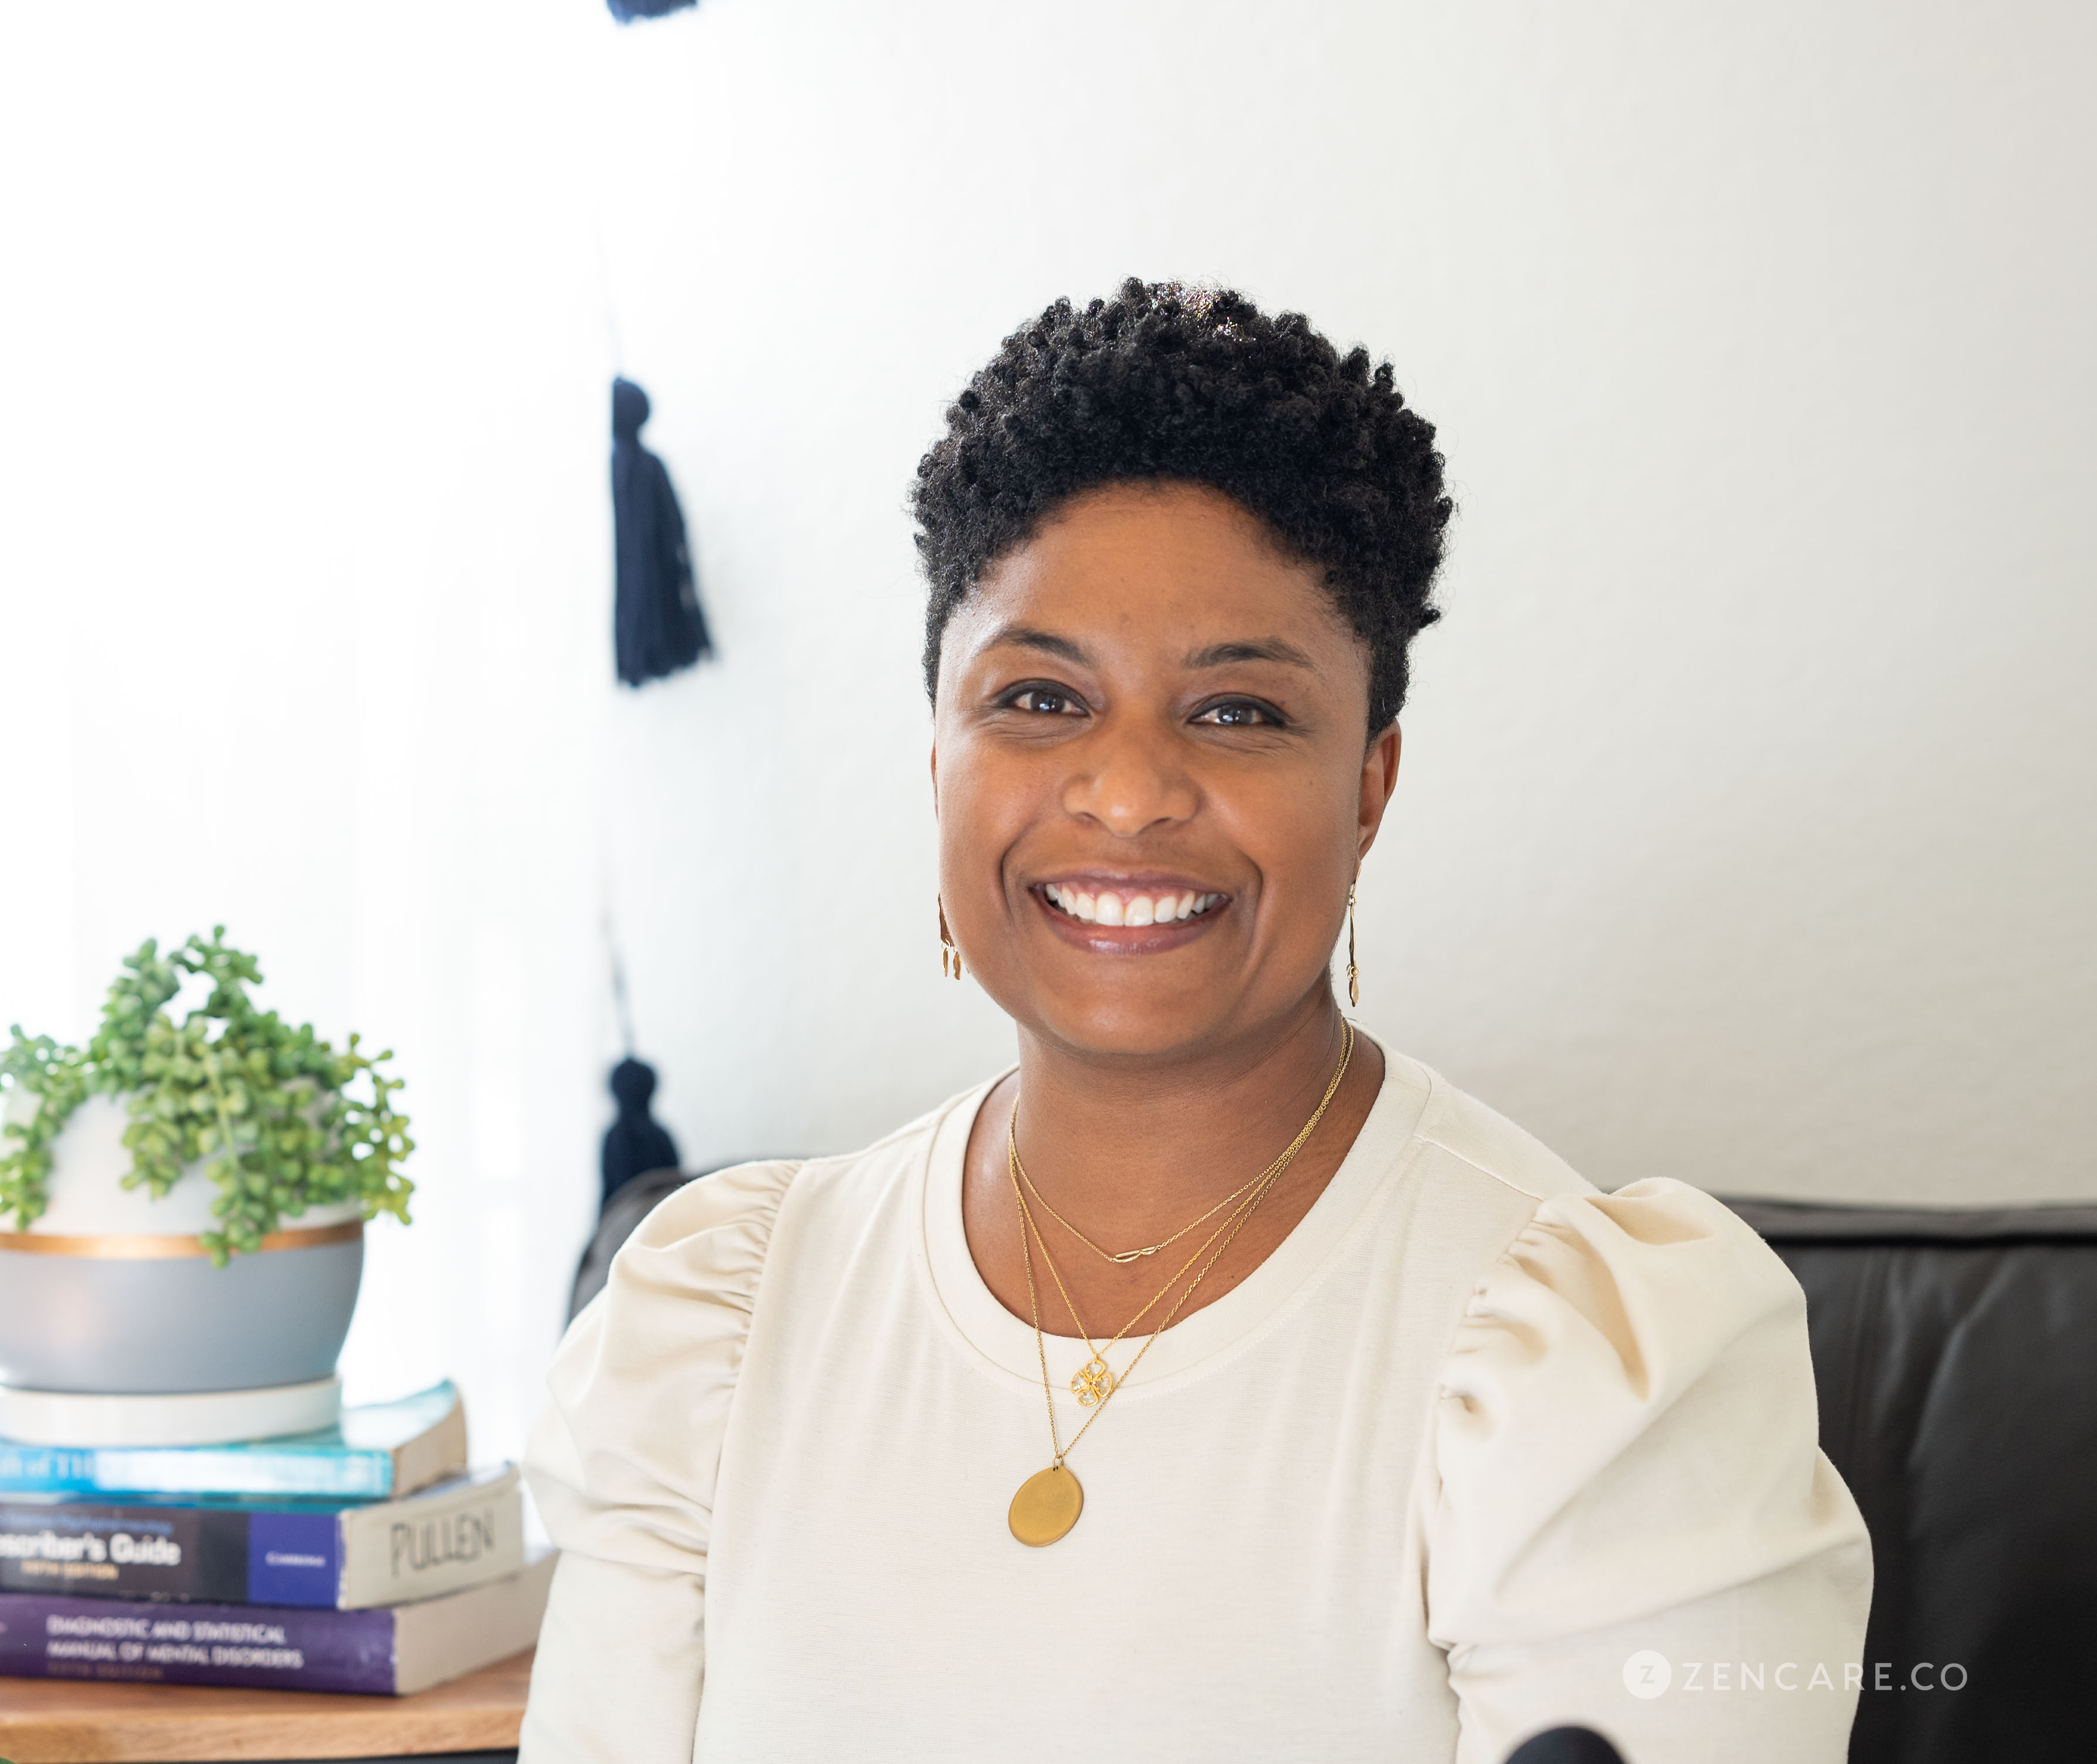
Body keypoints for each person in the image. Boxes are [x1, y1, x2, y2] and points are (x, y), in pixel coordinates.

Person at [522, 280, 1872, 1762]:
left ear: (1367, 785)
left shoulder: (1585, 1366)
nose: (1126, 794)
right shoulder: (717, 1324)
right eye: (1038, 698)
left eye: (1236, 711)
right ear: (936, 757)